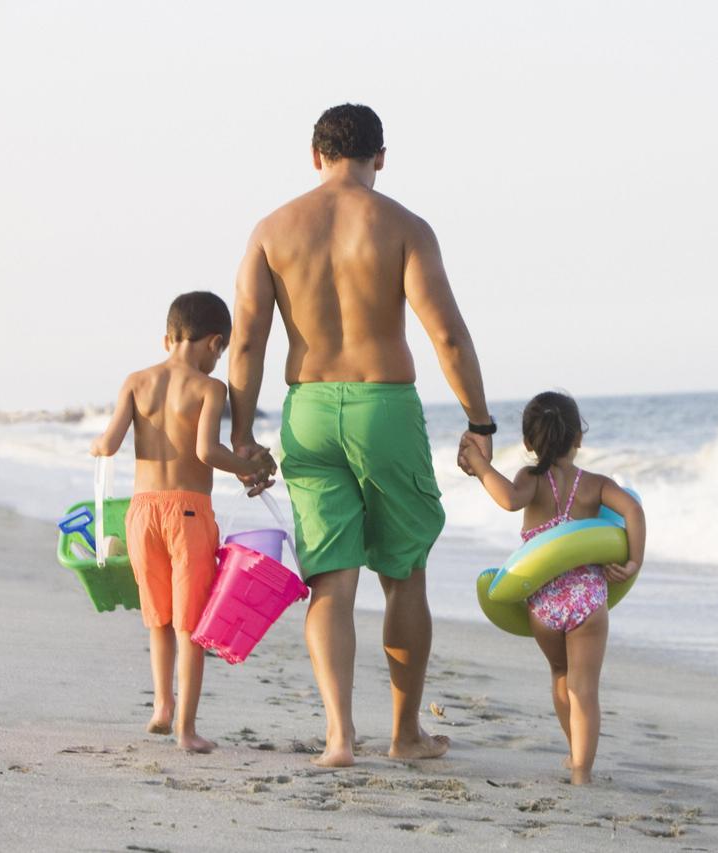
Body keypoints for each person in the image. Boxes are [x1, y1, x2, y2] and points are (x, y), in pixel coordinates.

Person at [227, 104, 492, 767]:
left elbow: (247, 340)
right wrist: (479, 421)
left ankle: (339, 737)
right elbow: (448, 335)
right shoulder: (403, 226)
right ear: (381, 157)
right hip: (383, 405)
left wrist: (239, 434)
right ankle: (405, 736)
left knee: (330, 581)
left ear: (315, 156)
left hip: (308, 407)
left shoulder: (271, 230)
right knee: (403, 572)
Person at [90, 291, 276, 753]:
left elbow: (110, 443)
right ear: (215, 343)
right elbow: (206, 452)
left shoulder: (135, 381)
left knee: (157, 618)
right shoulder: (209, 388)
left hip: (142, 511)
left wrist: (96, 446)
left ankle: (161, 706)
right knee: (190, 623)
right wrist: (249, 468)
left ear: (167, 337)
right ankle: (187, 730)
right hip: (188, 512)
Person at [461, 391, 645, 784]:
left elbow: (508, 500)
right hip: (588, 600)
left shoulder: (530, 480)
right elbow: (633, 510)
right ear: (579, 436)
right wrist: (633, 562)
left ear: (528, 443)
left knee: (561, 674)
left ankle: (572, 747)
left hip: (543, 603)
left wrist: (479, 465)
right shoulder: (595, 484)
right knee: (586, 687)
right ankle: (582, 769)